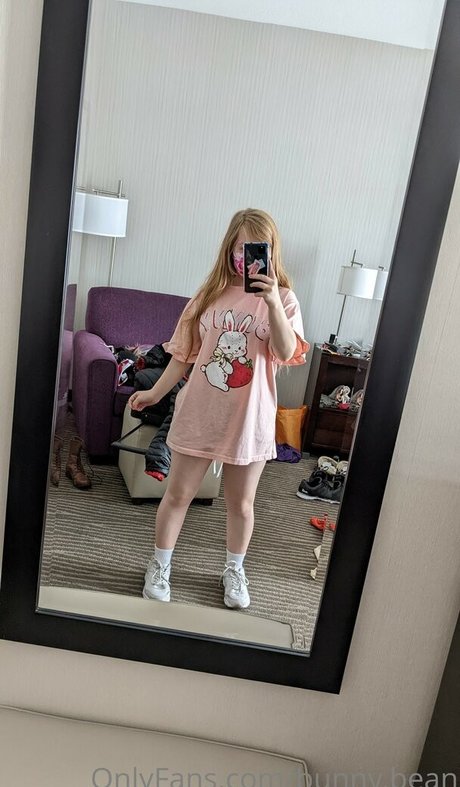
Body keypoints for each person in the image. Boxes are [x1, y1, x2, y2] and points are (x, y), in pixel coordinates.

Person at [128, 208, 309, 609]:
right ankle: (160, 565)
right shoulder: (208, 295)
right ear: (229, 248)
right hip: (200, 412)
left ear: (271, 251)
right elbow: (182, 354)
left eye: (257, 247)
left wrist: (272, 302)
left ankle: (234, 570)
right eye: (240, 247)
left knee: (241, 505)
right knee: (178, 495)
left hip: (249, 419)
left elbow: (285, 352)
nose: (247, 256)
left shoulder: (284, 299)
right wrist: (155, 393)